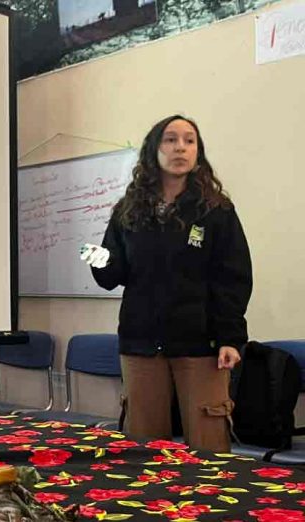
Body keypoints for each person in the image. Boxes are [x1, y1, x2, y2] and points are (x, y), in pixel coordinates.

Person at [81, 115, 252, 452]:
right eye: (171, 139)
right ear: (153, 150)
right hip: (141, 343)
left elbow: (233, 279)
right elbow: (113, 276)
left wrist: (231, 338)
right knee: (144, 446)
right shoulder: (128, 211)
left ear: (198, 152)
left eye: (189, 141)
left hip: (202, 345)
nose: (180, 148)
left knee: (209, 446)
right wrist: (93, 255)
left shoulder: (216, 211)